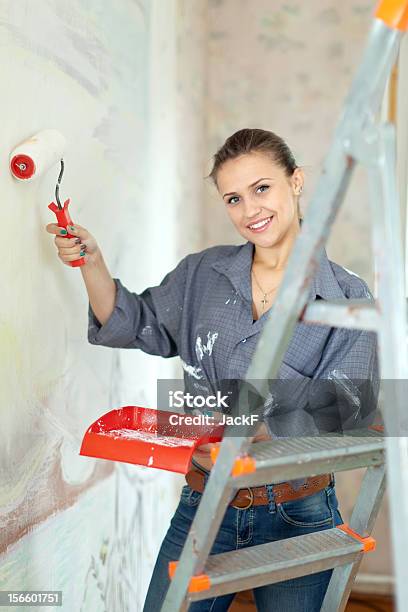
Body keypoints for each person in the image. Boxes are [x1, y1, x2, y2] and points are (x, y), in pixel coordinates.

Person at [46, 128, 379, 611]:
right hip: (204, 504)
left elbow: (346, 411)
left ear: (297, 181)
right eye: (234, 198)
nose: (251, 210)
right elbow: (132, 321)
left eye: (262, 188)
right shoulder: (203, 274)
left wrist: (254, 427)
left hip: (298, 511)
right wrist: (91, 262)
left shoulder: (347, 298)